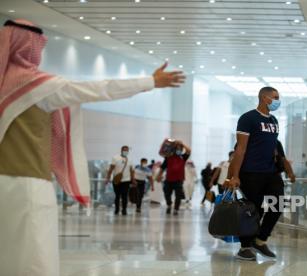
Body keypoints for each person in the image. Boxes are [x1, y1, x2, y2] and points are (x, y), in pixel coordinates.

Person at [0, 19, 185, 275]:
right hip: (29, 186)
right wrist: (149, 81)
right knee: (35, 257)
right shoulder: (39, 87)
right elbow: (98, 89)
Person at [224, 86, 284, 261]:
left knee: (277, 204)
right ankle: (245, 247)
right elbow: (240, 149)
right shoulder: (248, 118)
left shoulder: (274, 121)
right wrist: (234, 175)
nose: (278, 100)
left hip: (270, 172)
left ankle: (260, 240)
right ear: (265, 98)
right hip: (250, 172)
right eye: (275, 97)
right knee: (252, 211)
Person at [156, 140, 191, 215]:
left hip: (179, 180)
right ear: (174, 149)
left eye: (180, 149)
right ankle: (169, 204)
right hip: (168, 179)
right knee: (166, 193)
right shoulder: (168, 157)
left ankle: (176, 209)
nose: (179, 150)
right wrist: (159, 176)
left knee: (178, 195)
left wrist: (182, 143)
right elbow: (162, 167)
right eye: (177, 148)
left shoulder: (183, 157)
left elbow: (189, 150)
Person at [106, 146, 135, 215]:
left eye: (127, 150)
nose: (126, 152)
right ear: (121, 150)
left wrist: (133, 179)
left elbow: (132, 171)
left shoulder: (130, 159)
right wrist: (108, 178)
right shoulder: (115, 158)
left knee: (124, 195)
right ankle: (117, 209)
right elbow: (111, 169)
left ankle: (124, 209)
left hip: (126, 180)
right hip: (116, 180)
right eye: (124, 150)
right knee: (117, 195)